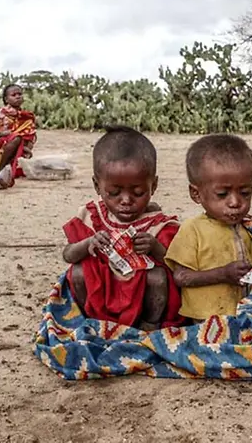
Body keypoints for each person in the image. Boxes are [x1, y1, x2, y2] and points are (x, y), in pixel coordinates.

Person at [61, 125, 182, 330]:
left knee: (158, 277)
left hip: (141, 292)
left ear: (153, 185)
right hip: (101, 289)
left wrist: (154, 247)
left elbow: (175, 265)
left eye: (138, 192)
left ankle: (148, 326)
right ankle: (90, 321)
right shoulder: (92, 216)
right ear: (97, 186)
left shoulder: (159, 224)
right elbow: (68, 255)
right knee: (78, 272)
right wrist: (89, 243)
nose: (126, 201)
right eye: (114, 192)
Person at [164, 134, 252, 323]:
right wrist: (222, 274)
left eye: (245, 193)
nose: (235, 202)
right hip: (206, 319)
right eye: (222, 194)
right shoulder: (192, 230)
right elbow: (181, 276)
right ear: (196, 194)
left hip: (246, 314)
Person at [0, 84, 36, 179]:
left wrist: (25, 147)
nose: (18, 96)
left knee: (24, 136)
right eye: (14, 95)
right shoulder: (3, 114)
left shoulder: (26, 117)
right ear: (6, 99)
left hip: (18, 150)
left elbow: (30, 135)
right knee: (16, 138)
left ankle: (14, 166)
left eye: (20, 94)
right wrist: (13, 134)